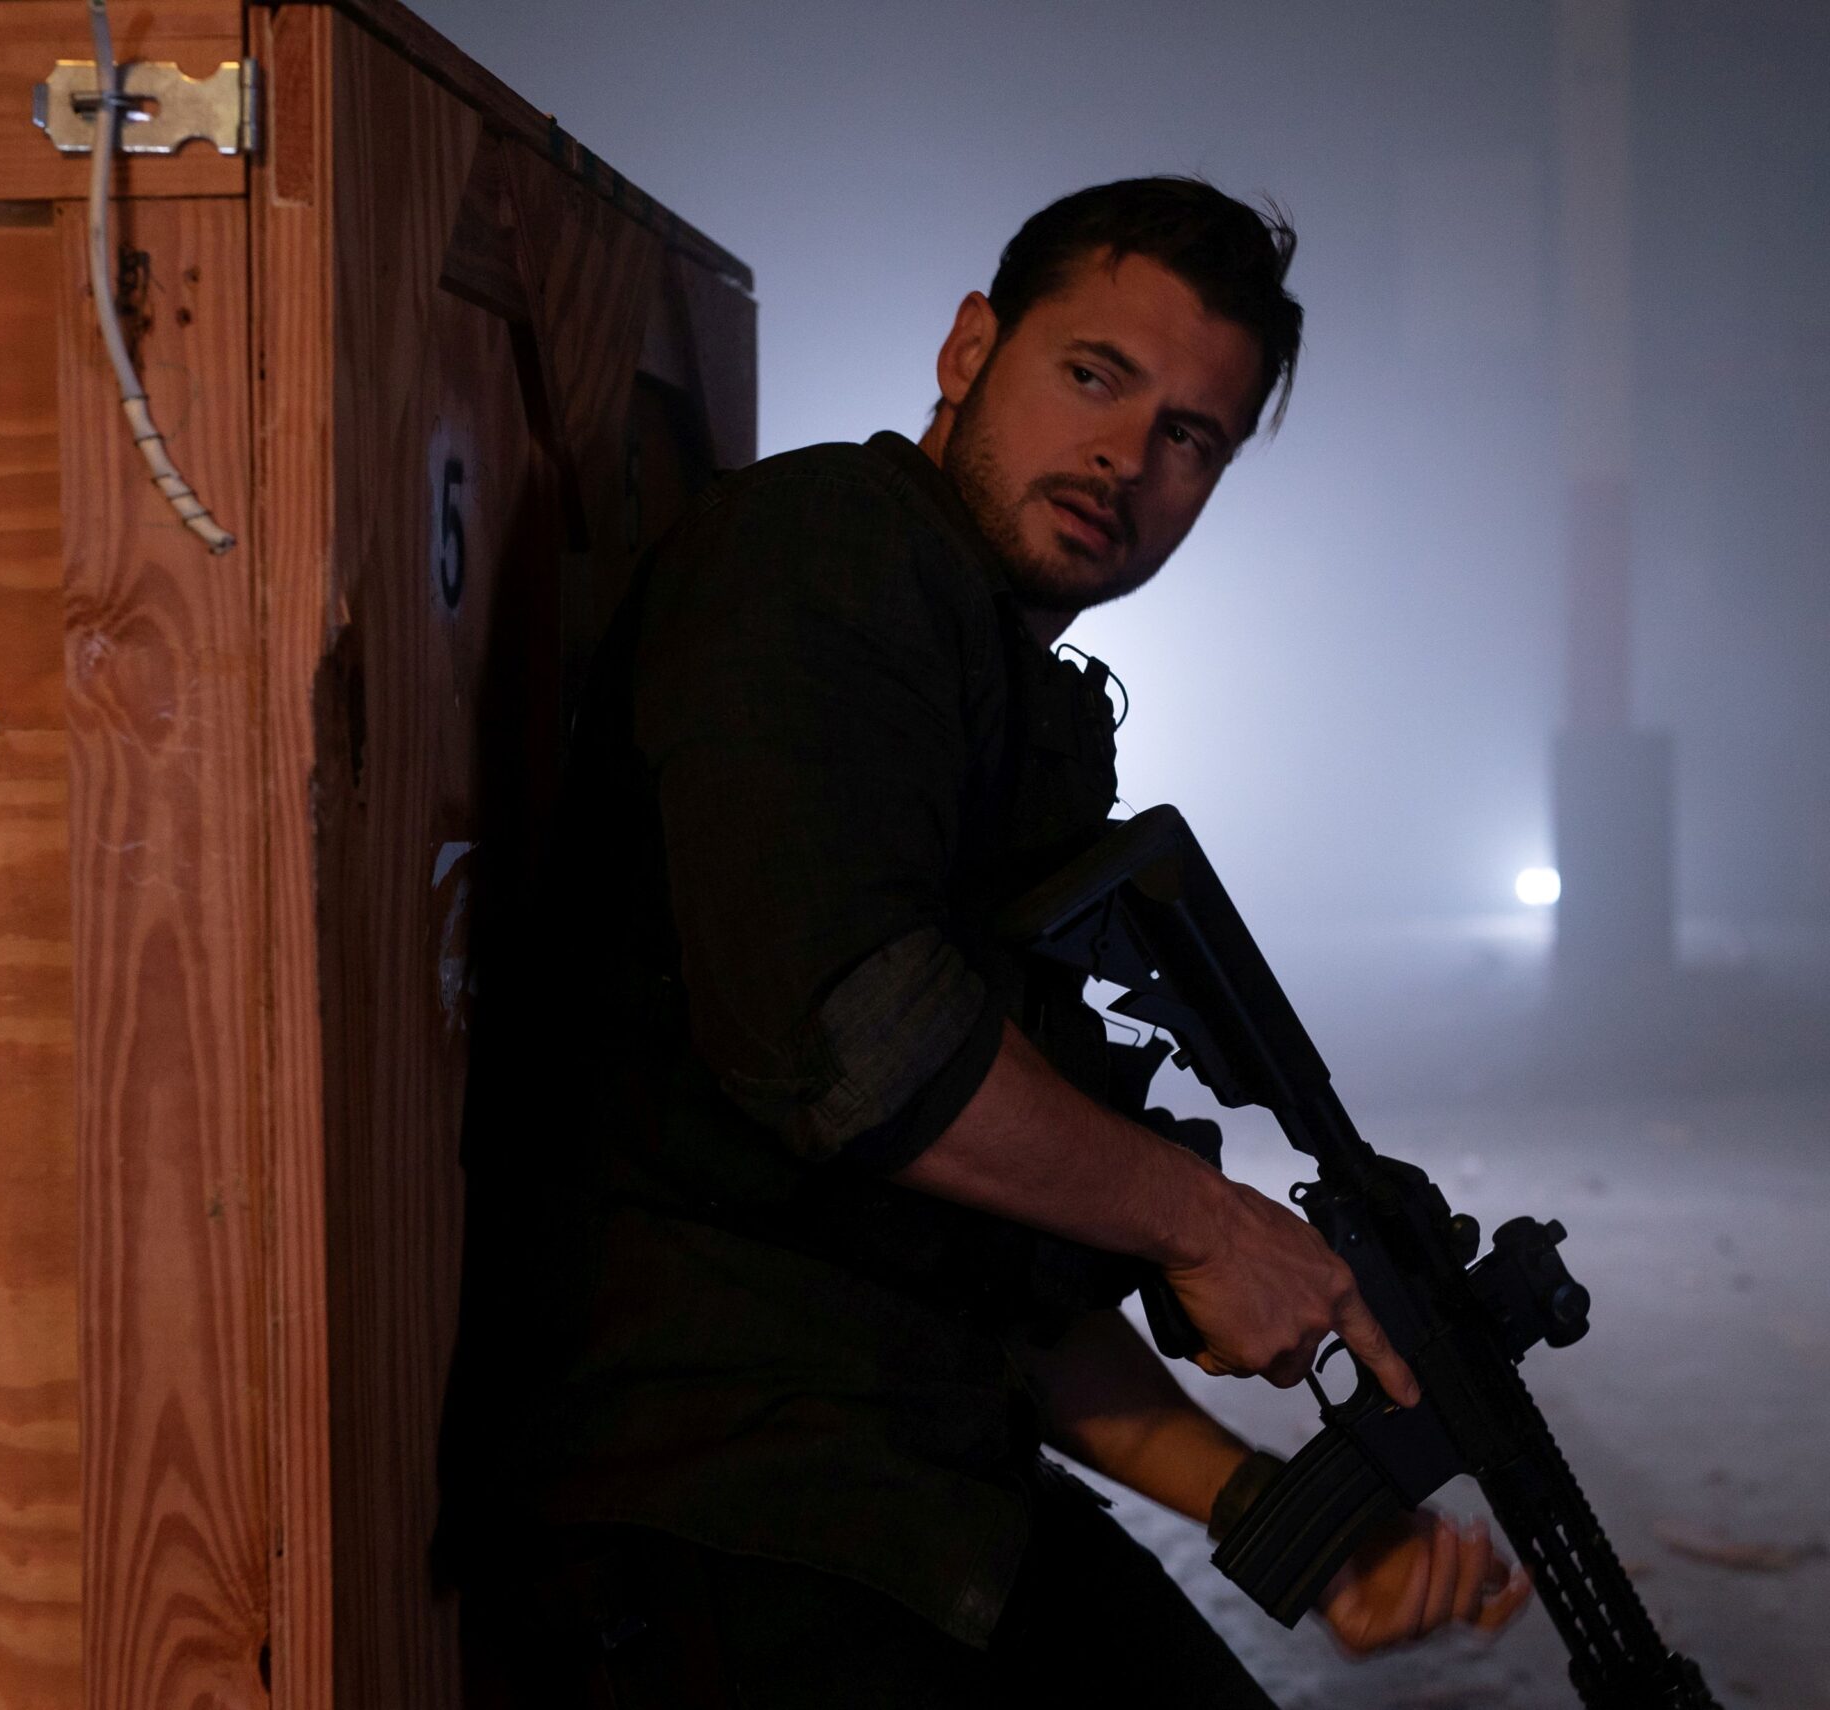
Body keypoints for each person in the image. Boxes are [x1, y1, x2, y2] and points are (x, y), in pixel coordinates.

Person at [439, 176, 1532, 1707]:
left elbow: (991, 1246)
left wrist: (1280, 1516)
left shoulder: (998, 691)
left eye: (1191, 437)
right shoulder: (825, 555)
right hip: (711, 1508)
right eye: (1094, 375)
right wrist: (1204, 1224)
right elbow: (859, 1045)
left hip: (891, 1491)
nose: (1126, 457)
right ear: (969, 349)